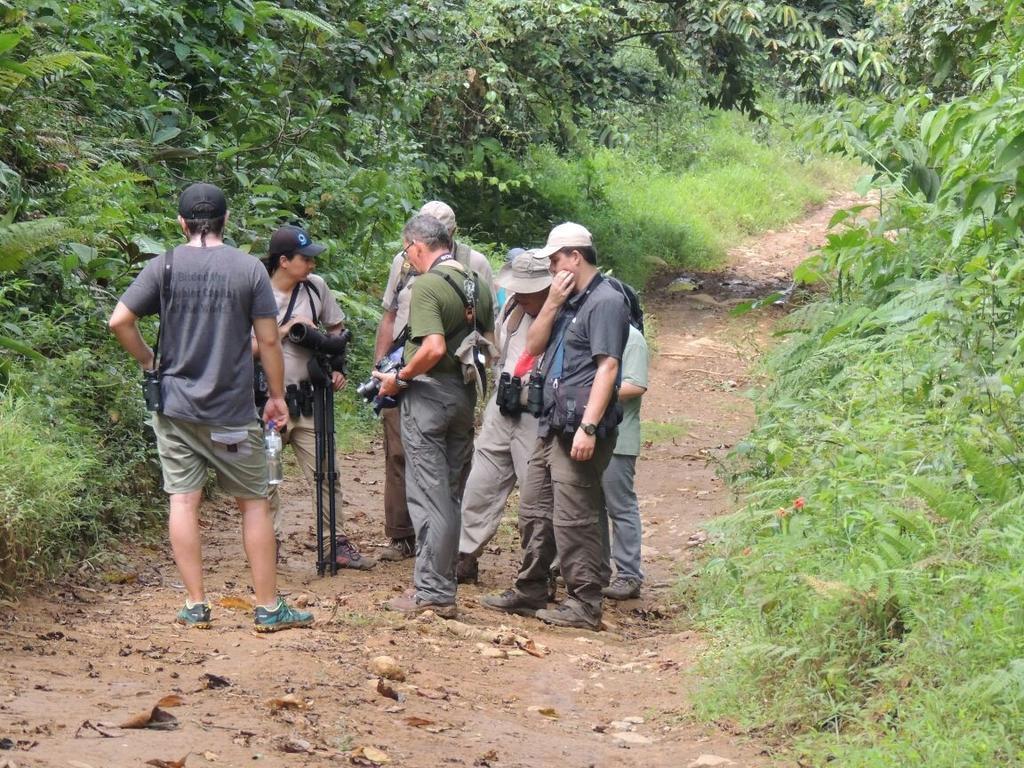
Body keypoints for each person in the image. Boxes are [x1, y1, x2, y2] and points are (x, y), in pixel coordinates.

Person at [108, 182, 312, 632]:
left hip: (176, 408)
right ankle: (267, 607)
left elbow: (119, 320)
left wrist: (148, 361)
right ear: (225, 221)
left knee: (183, 499)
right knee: (254, 503)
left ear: (182, 223)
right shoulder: (247, 269)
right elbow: (269, 339)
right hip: (233, 413)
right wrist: (277, 397)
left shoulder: (163, 265)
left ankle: (196, 604)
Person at [482, 222, 629, 631]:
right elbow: (533, 348)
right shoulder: (567, 299)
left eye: (554, 258)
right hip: (551, 421)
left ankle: (584, 602)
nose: (550, 266)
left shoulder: (604, 302)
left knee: (574, 517)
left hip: (578, 426)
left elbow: (609, 367)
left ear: (575, 257)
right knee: (533, 509)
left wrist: (588, 426)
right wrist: (550, 304)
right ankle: (531, 588)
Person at [373, 214, 494, 617]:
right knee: (451, 494)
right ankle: (441, 583)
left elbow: (433, 348)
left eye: (407, 251)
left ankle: (433, 591)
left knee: (429, 497)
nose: (406, 258)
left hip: (428, 399)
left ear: (418, 246)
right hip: (463, 396)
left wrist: (399, 378)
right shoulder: (475, 285)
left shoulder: (427, 286)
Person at [256, 225, 375, 570]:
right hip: (265, 403)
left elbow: (337, 330)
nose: (311, 265)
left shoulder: (316, 288)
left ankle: (333, 543)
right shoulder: (256, 291)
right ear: (283, 261)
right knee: (266, 480)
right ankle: (268, 544)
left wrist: (337, 366)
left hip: (309, 399)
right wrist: (285, 329)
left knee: (327, 473)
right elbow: (241, 349)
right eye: (305, 259)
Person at [456, 250, 551, 584]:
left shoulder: (562, 312)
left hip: (537, 413)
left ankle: (542, 573)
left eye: (530, 289)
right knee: (479, 485)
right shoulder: (512, 305)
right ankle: (464, 556)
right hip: (504, 404)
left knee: (536, 499)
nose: (523, 294)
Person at [600, 320, 648, 600]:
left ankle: (629, 575)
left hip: (620, 438)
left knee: (620, 507)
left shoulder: (632, 338)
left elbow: (636, 385)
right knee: (590, 506)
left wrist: (593, 393)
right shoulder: (598, 330)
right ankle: (596, 568)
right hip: (592, 433)